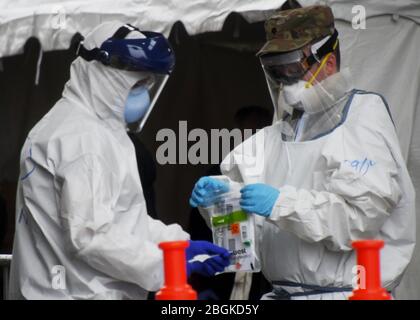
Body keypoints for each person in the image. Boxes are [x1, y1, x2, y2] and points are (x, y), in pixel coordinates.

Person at [190, 5, 415, 300]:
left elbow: (359, 221)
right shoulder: (272, 138)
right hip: (281, 293)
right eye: (276, 71)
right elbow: (247, 242)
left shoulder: (361, 119)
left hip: (348, 295)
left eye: (292, 67)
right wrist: (220, 204)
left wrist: (279, 204)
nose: (285, 80)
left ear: (329, 62)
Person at [9, 21, 230, 300]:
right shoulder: (80, 138)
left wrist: (179, 245)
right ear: (102, 76)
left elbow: (125, 218)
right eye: (136, 84)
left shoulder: (99, 129)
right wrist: (169, 264)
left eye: (148, 84)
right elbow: (92, 237)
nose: (144, 95)